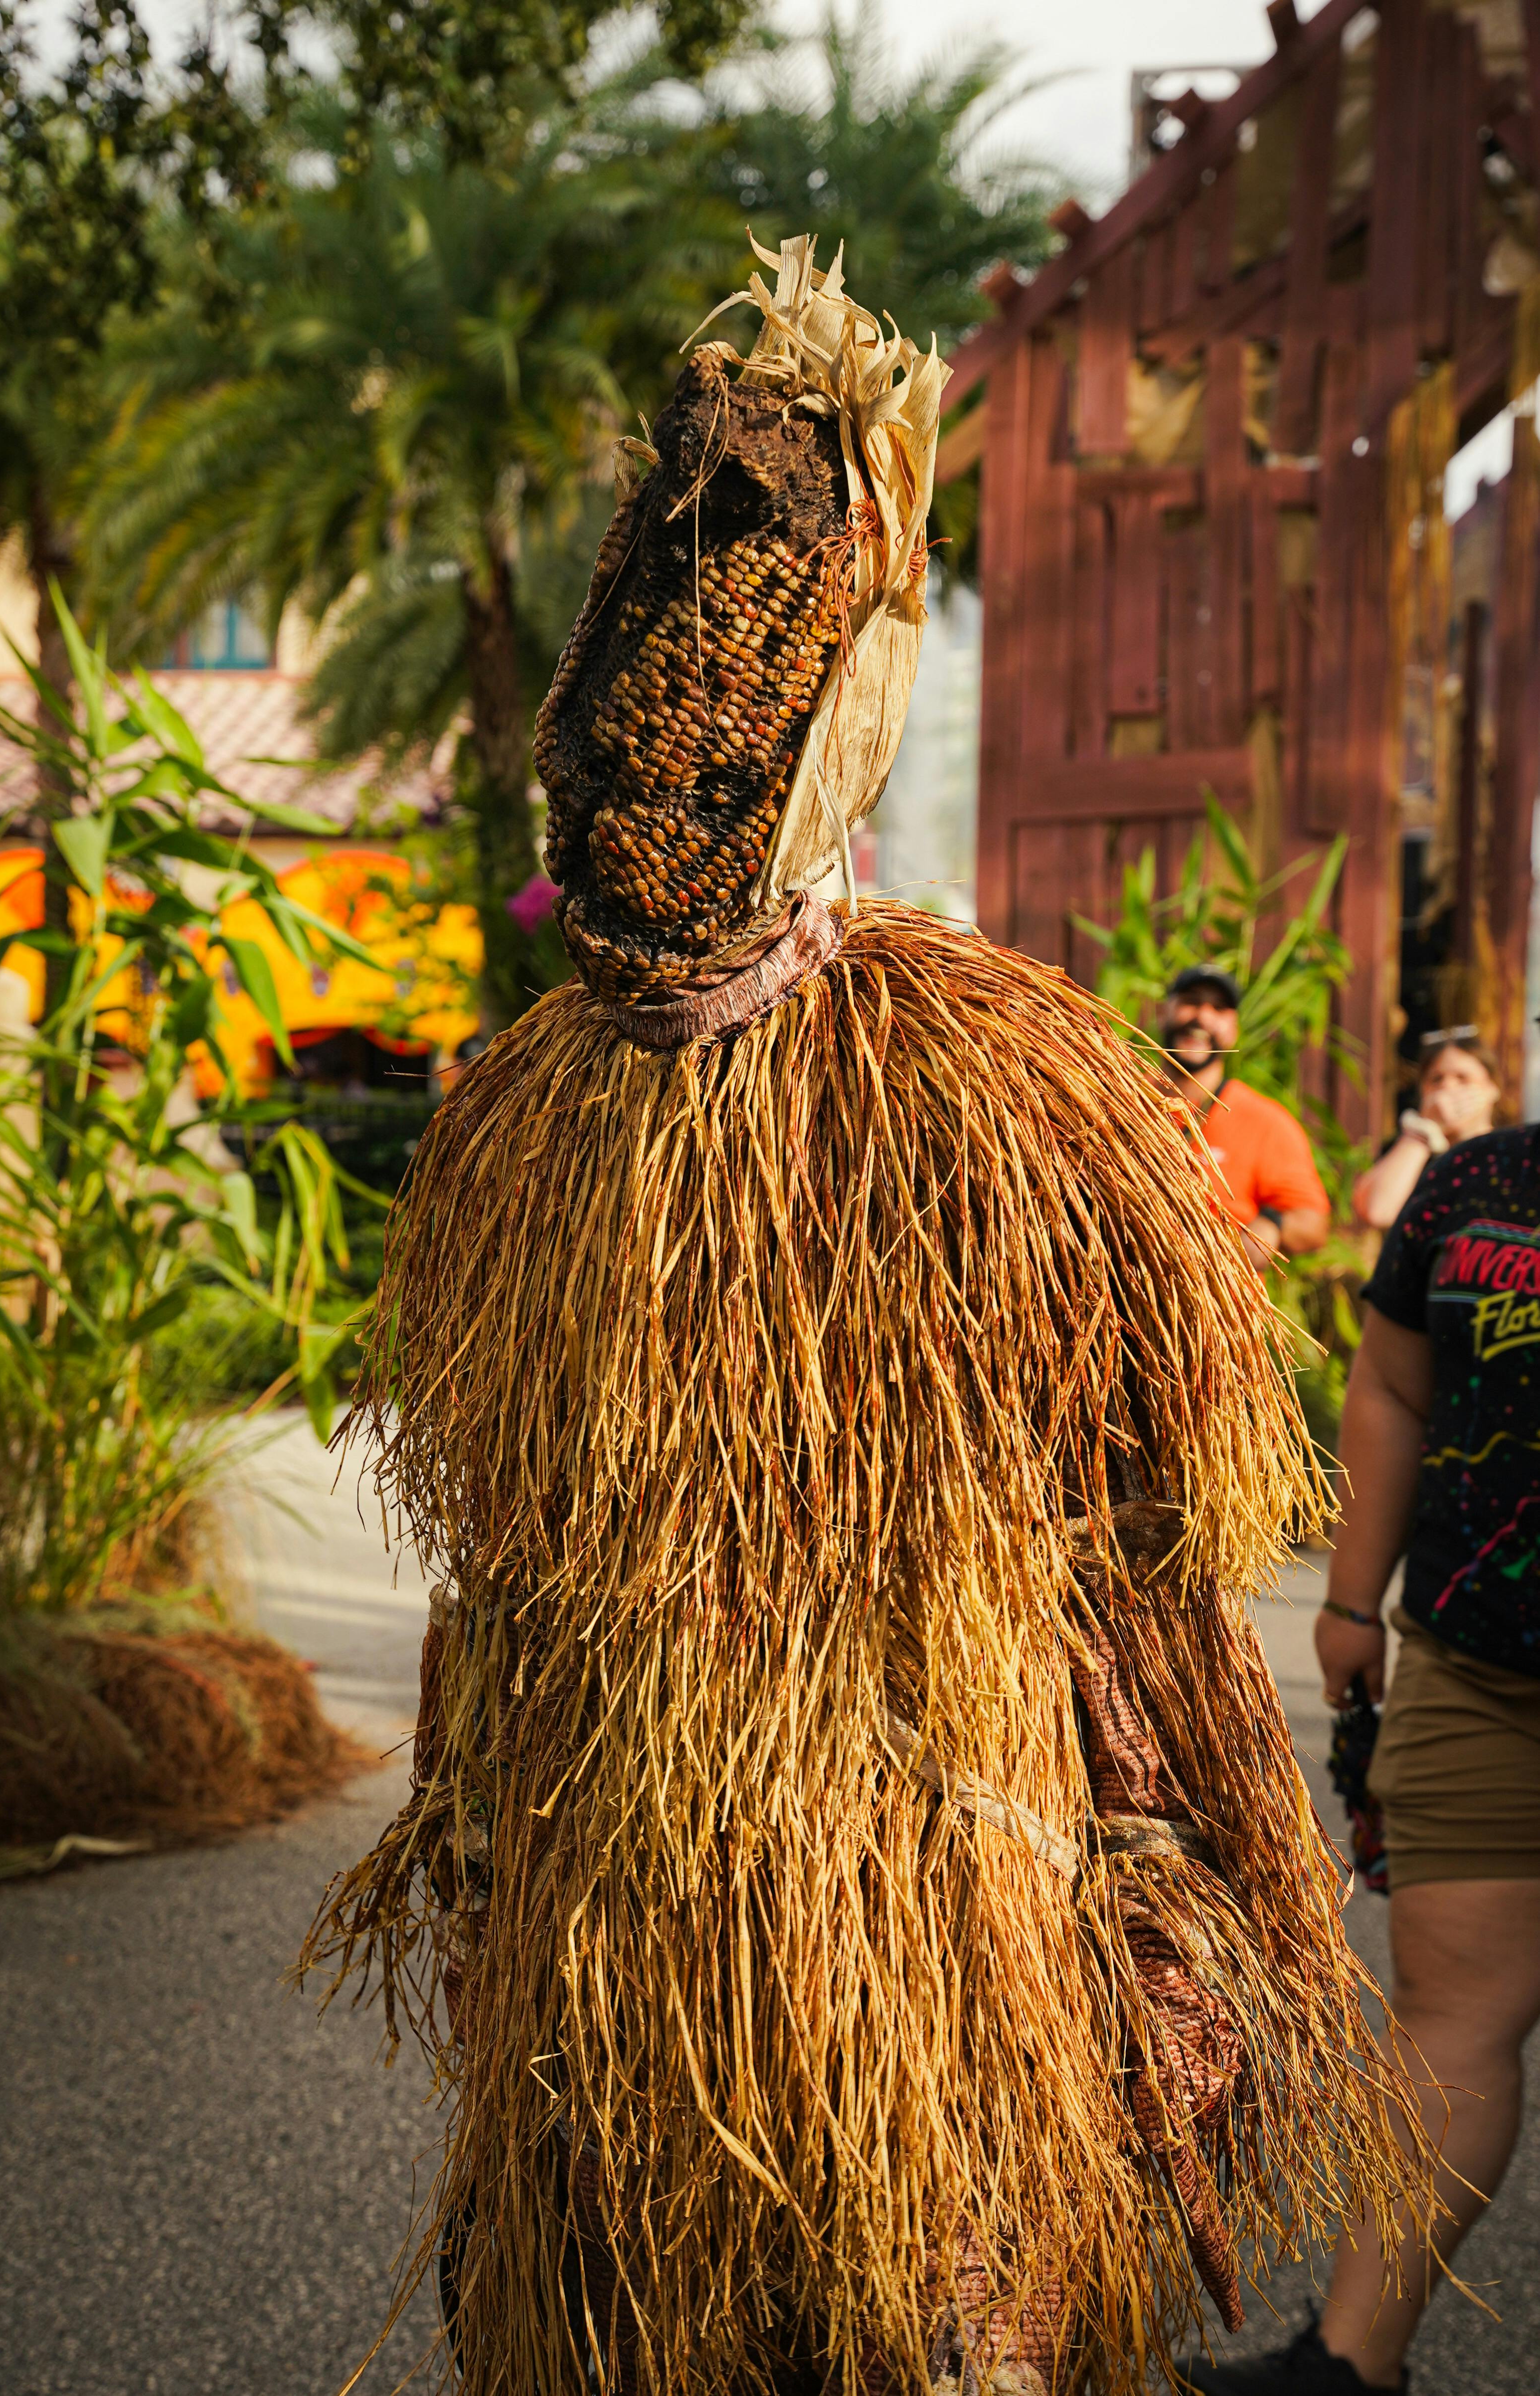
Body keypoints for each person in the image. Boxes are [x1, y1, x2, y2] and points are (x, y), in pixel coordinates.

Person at [305, 242, 1428, 2396]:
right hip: (619, 1928)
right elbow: (497, 1543)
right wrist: (474, 1819)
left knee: (943, 2322)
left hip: (937, 1895)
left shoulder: (995, 1085)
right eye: (620, 752)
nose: (646, 810)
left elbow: (1152, 1543)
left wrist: (1172, 1865)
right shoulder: (523, 1119)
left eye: (710, 749)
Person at [1178, 1100, 1540, 2396]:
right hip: (1476, 1664)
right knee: (1450, 2021)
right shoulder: (1472, 1186)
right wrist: (1347, 1602)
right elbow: (1390, 1386)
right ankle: (1348, 2368)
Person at [1157, 965, 1332, 1268]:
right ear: (1163, 1013)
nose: (1203, 1016)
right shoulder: (1123, 1101)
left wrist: (1272, 1225)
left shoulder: (1264, 1121)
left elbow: (1314, 1224)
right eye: (1191, 1002)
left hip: (1215, 1293)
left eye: (1219, 1008)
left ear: (1234, 1030)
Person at [1353, 1026, 1504, 1231]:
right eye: (1436, 1079)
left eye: (1463, 1078)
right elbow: (1378, 1212)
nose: (1447, 1088)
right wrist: (1424, 1130)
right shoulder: (1406, 1152)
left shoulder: (1509, 1154)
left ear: (1492, 1089)